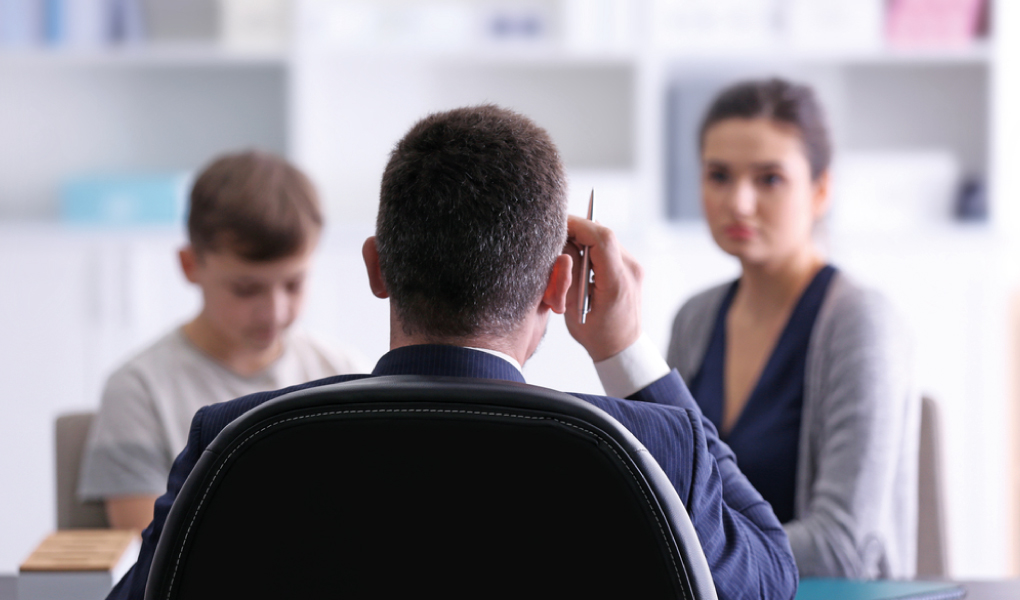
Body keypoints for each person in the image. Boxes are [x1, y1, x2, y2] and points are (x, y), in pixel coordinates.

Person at [105, 105, 798, 600]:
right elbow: (773, 569)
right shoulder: (655, 446)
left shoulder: (235, 439)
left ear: (376, 268)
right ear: (559, 286)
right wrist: (624, 352)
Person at [666, 79, 920, 578]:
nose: (739, 202)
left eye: (769, 179)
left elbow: (841, 550)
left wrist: (701, 555)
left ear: (821, 189)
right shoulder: (695, 318)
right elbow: (666, 493)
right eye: (718, 175)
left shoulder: (858, 320)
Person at [78, 150, 363, 532]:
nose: (275, 311)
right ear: (190, 265)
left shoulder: (346, 375)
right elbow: (151, 562)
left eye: (294, 284)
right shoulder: (138, 391)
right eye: (246, 289)